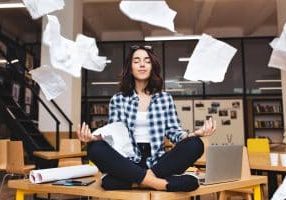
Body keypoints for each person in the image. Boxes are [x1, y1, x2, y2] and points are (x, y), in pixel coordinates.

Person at [77, 45, 216, 192]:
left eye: (147, 61)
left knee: (195, 144)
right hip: (127, 161)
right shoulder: (118, 99)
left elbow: (175, 132)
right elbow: (115, 135)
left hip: (158, 163)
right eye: (136, 61)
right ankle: (159, 184)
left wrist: (195, 134)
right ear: (130, 68)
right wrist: (93, 138)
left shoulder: (165, 98)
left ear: (152, 66)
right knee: (94, 148)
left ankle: (137, 181)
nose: (142, 64)